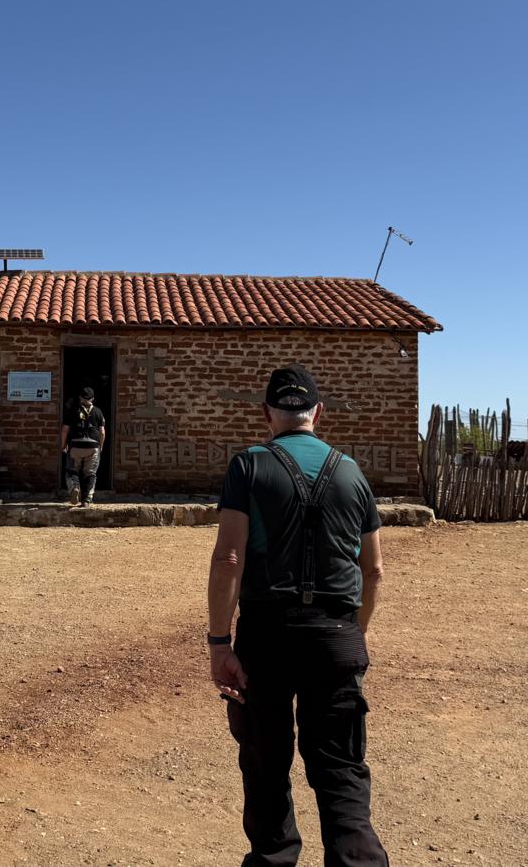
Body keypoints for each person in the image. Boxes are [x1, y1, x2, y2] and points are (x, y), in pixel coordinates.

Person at [206, 364, 389, 867]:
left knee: (265, 763)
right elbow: (373, 570)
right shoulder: (351, 472)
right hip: (336, 634)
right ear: (317, 413)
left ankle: (274, 858)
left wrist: (219, 644)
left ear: (267, 414)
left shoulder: (248, 466)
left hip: (267, 636)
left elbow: (229, 558)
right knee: (341, 770)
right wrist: (353, 634)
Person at [60, 386, 107, 507]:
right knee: (90, 473)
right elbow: (102, 432)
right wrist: (100, 446)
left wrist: (63, 445)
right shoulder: (98, 412)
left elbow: (65, 429)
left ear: (80, 398)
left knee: (72, 470)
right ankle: (87, 500)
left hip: (75, 445)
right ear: (93, 398)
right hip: (93, 445)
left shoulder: (72, 410)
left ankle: (74, 488)